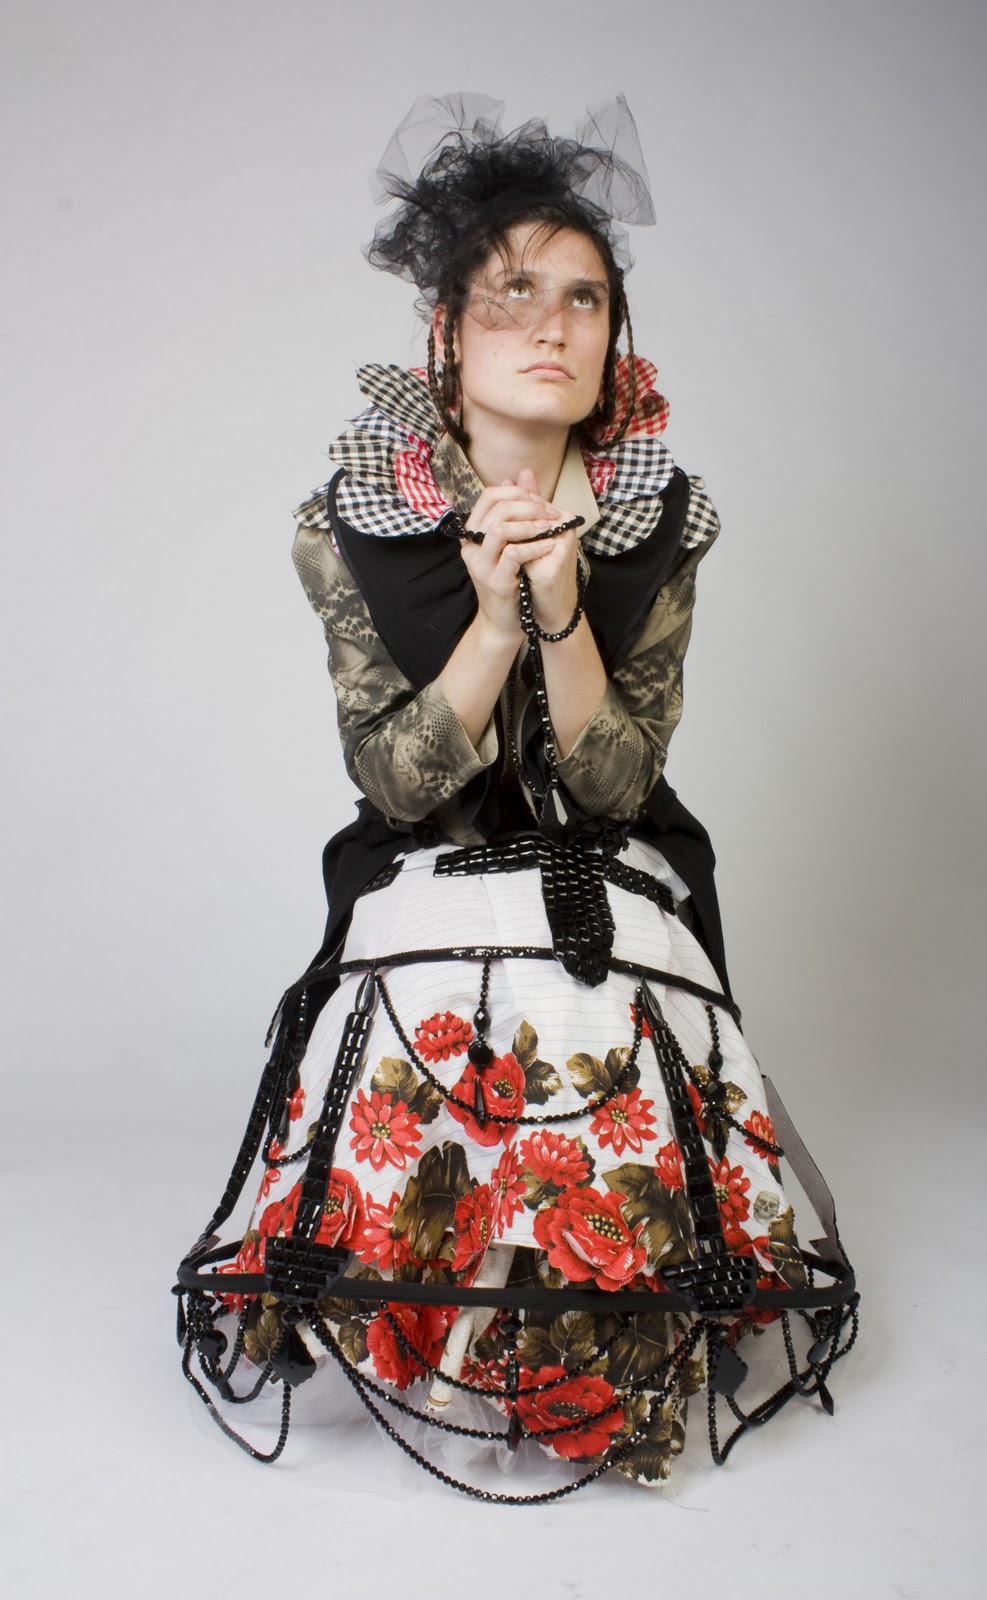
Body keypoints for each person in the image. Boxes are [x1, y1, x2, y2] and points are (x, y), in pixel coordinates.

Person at [174, 95, 857, 1501]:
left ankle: (579, 1310)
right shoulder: (352, 519)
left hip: (614, 856)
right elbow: (395, 782)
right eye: (512, 294)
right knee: (428, 977)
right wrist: (490, 624)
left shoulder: (661, 515)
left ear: (614, 341)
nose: (553, 324)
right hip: (425, 858)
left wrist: (564, 610)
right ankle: (435, 1296)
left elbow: (617, 782)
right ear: (445, 336)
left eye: (584, 298)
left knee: (596, 983)